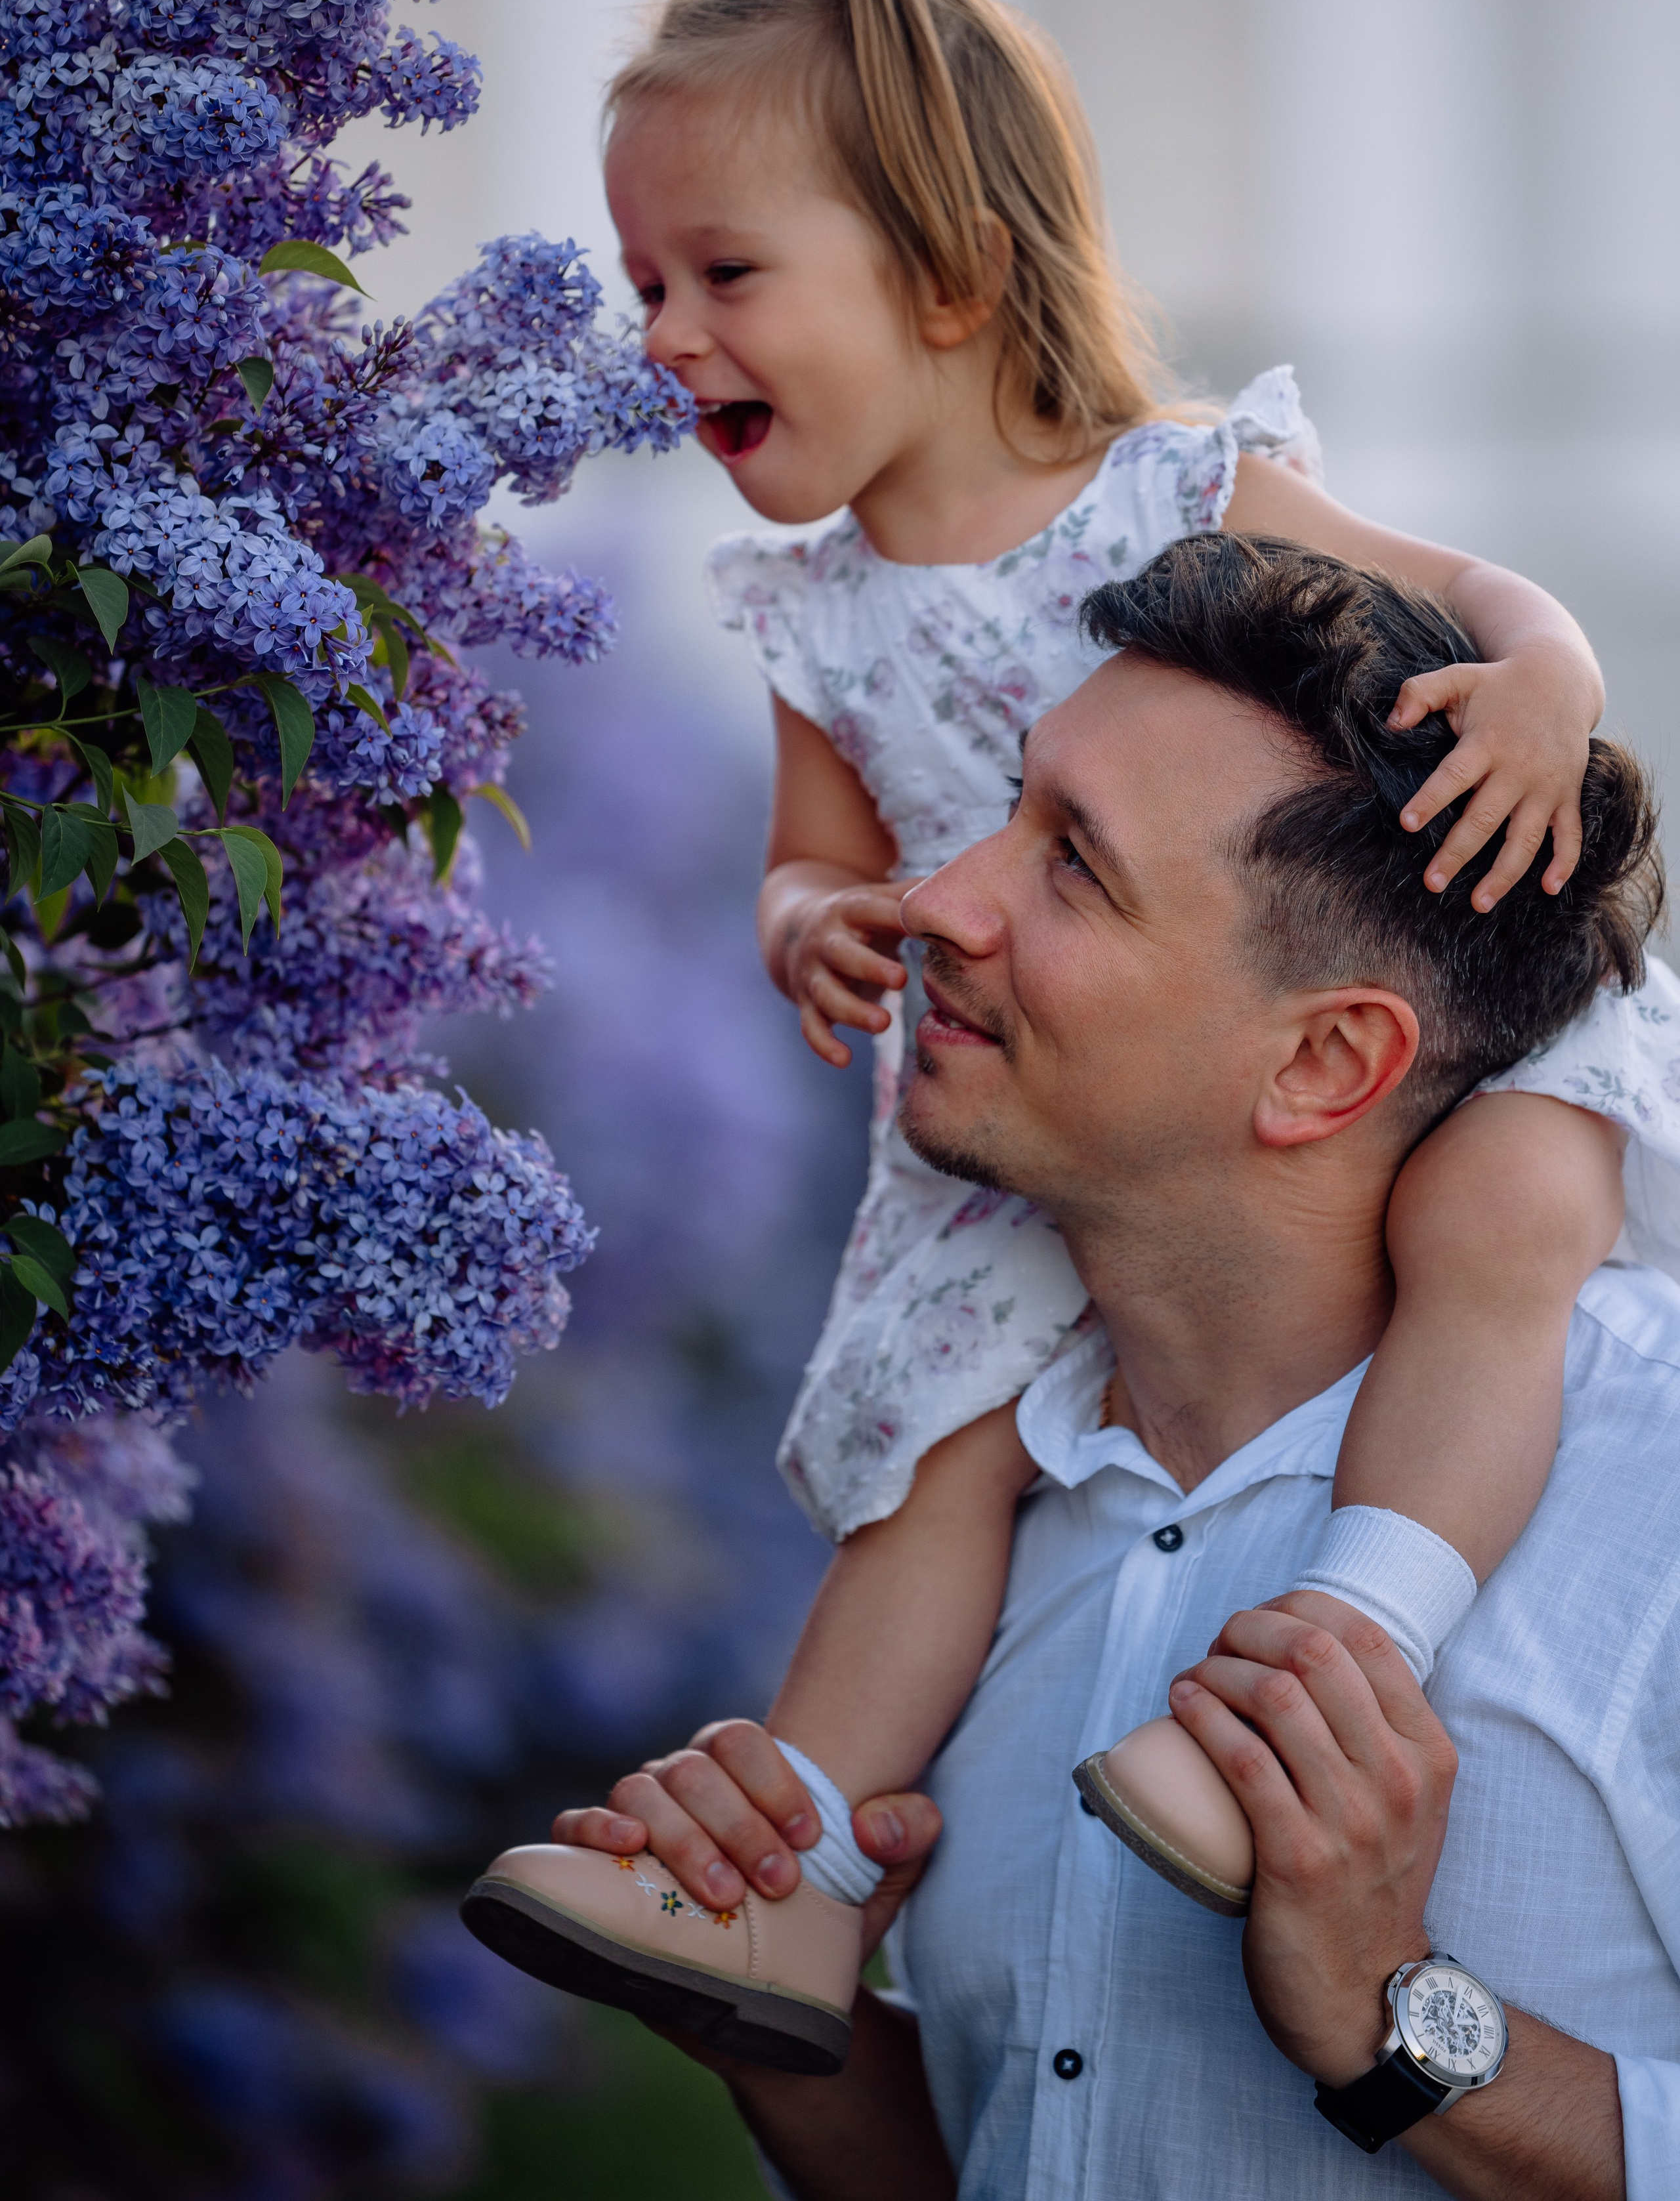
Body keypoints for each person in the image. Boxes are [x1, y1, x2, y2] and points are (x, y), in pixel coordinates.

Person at [462, 0, 1680, 2040]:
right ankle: (804, 1859)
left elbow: (1481, 597)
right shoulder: (813, 607)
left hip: (1433, 993)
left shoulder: (1173, 487)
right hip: (1060, 1060)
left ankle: (1335, 1664)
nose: (663, 333)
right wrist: (820, 917)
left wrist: (1552, 680)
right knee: (943, 1435)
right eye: (643, 285)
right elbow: (813, 853)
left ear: (945, 277)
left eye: (722, 276)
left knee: (1507, 1217)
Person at [534, 534, 1680, 2196]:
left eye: (1071, 863)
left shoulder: (1650, 1498)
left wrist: (1391, 2021)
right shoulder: (968, 1522)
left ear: (1322, 1062)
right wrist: (798, 2047)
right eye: (1009, 803)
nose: (933, 898)